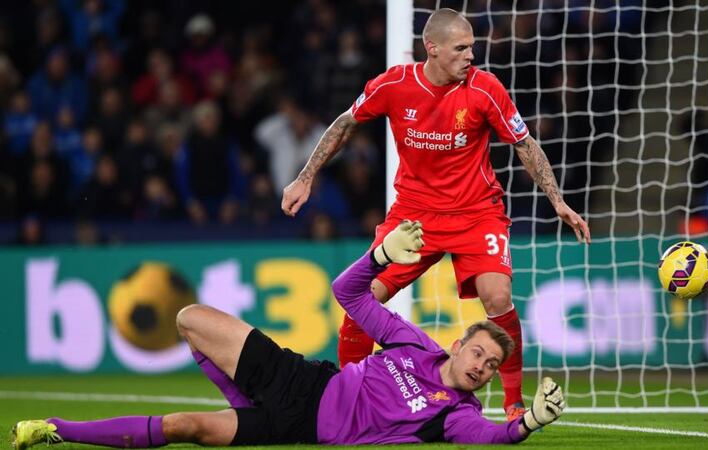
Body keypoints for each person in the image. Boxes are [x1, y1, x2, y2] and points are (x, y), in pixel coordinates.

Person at [281, 8, 591, 421]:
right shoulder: (393, 84)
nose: (470, 56)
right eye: (461, 48)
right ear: (433, 48)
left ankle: (513, 401)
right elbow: (345, 123)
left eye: (472, 48)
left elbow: (524, 143)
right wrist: (305, 177)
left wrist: (557, 201)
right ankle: (344, 395)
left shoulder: (485, 89)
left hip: (477, 213)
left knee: (498, 297)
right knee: (363, 298)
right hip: (414, 216)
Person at [12, 221, 565, 448]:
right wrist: (377, 258)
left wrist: (529, 425)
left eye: (490, 366)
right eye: (478, 352)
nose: (480, 367)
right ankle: (238, 393)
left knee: (186, 427)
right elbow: (347, 293)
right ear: (460, 343)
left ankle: (53, 430)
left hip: (294, 423)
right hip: (300, 376)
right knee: (188, 318)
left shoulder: (454, 412)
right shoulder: (416, 344)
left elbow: (490, 439)